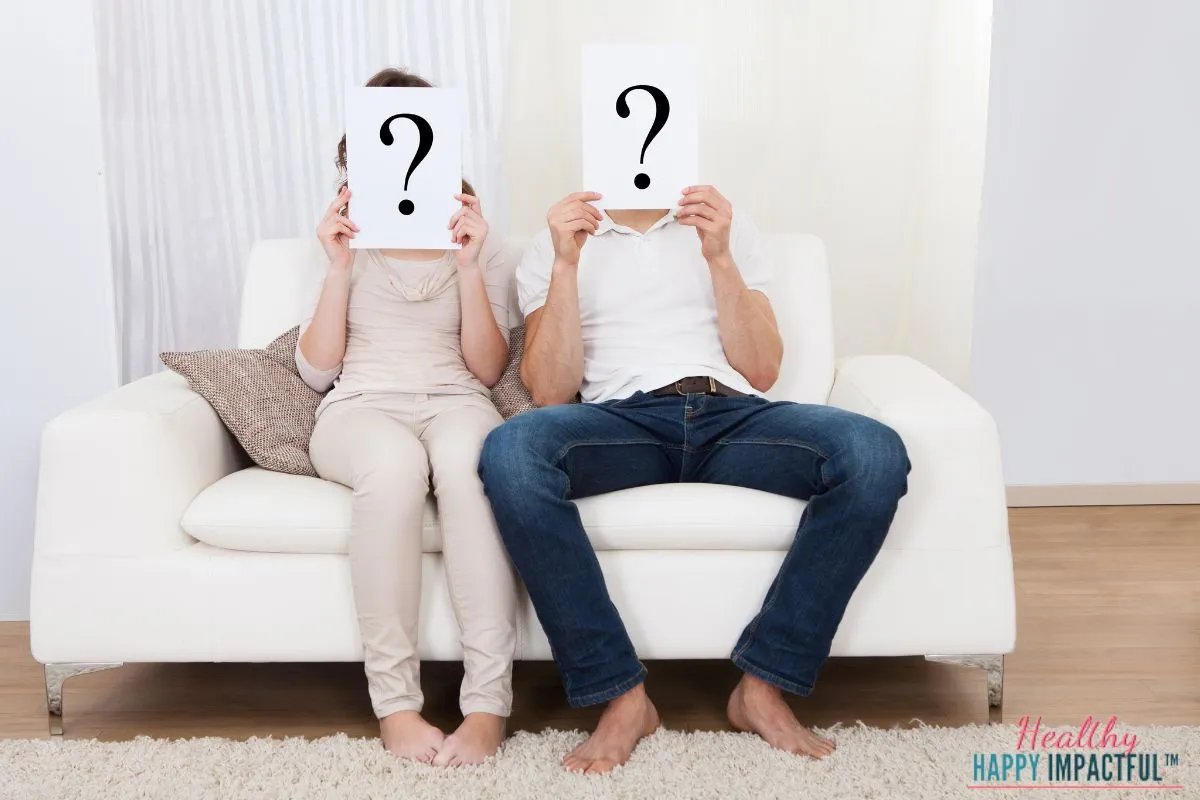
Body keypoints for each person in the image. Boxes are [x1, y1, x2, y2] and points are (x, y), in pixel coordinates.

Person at [478, 186, 910, 773]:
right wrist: (564, 262)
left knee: (875, 451)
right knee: (510, 450)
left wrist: (721, 256)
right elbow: (551, 391)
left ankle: (763, 686)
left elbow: (761, 367)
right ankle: (621, 697)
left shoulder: (726, 227)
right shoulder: (553, 240)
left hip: (734, 416)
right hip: (621, 420)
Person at [297, 67, 517, 766]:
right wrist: (336, 268)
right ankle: (396, 706)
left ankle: (487, 706)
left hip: (458, 401)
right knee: (392, 469)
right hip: (360, 407)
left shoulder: (480, 238)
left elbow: (486, 370)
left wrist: (471, 266)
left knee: (473, 466)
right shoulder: (344, 240)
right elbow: (316, 370)